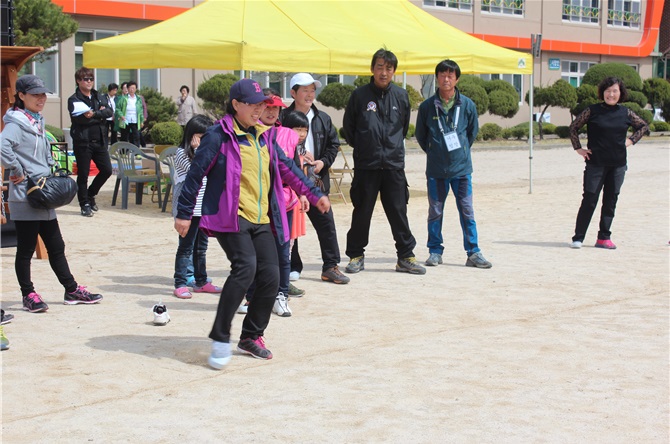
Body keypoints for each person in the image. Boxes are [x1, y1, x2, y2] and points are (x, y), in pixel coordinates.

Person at [174, 78, 330, 370]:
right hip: (231, 217)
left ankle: (251, 335)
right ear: (236, 105)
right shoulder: (218, 136)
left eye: (262, 104)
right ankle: (221, 336)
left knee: (271, 276)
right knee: (245, 268)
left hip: (263, 217)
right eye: (253, 105)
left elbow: (289, 170)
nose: (260, 110)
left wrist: (314, 193)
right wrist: (184, 213)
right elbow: (196, 174)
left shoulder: (266, 136)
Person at [1, 74, 103, 313]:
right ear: (21, 96)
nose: (41, 98)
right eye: (35, 94)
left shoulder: (36, 120)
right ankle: (28, 294)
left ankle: (71, 289)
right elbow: (2, 145)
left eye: (43, 93)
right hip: (26, 195)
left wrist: (52, 167)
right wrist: (18, 169)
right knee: (26, 249)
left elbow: (44, 151)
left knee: (56, 246)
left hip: (44, 192)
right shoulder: (16, 123)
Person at [342, 49, 425, 275]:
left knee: (399, 212)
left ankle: (406, 257)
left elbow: (404, 125)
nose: (384, 72)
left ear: (394, 71)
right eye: (380, 67)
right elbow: (349, 129)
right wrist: (364, 147)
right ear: (372, 69)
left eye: (389, 68)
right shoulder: (359, 96)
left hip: (393, 166)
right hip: (366, 166)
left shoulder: (401, 96)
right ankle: (356, 256)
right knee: (362, 212)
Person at [414, 59, 492, 269]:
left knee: (467, 210)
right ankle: (435, 251)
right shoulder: (427, 106)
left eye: (450, 75)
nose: (446, 79)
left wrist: (461, 151)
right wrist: (435, 151)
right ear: (437, 77)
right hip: (436, 170)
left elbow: (471, 133)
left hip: (461, 169)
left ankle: (473, 252)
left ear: (457, 79)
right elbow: (421, 136)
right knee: (435, 211)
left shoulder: (467, 105)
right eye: (442, 74)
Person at [281, 73, 350, 285]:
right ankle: (293, 266)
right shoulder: (282, 119)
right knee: (291, 225)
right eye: (305, 90)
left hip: (316, 180)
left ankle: (330, 266)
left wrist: (322, 162)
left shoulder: (323, 118)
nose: (310, 94)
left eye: (312, 90)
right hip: (291, 182)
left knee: (326, 222)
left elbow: (333, 145)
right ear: (293, 93)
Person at [568, 76, 648, 249]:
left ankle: (604, 237)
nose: (611, 94)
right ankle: (578, 237)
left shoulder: (625, 112)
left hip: (618, 164)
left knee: (611, 200)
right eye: (608, 91)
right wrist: (579, 149)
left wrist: (630, 141)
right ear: (602, 92)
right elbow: (574, 127)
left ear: (620, 93)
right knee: (589, 199)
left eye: (615, 91)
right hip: (595, 163)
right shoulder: (592, 110)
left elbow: (643, 126)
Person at [171, 114, 222, 299]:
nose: (204, 141)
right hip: (188, 210)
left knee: (201, 248)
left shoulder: (208, 152)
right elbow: (196, 171)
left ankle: (201, 281)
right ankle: (180, 283)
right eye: (201, 136)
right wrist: (198, 150)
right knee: (185, 247)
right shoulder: (181, 154)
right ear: (192, 136)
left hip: (204, 208)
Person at [67, 67, 114, 217]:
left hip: (99, 140)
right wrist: (99, 115)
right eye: (85, 79)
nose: (89, 82)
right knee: (83, 174)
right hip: (83, 142)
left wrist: (93, 114)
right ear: (78, 81)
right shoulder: (74, 99)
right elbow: (80, 119)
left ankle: (90, 194)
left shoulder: (99, 96)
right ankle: (84, 204)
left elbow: (109, 112)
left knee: (107, 170)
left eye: (91, 79)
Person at [115, 81, 144, 147]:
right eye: (130, 88)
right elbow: (118, 108)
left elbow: (141, 110)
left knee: (136, 136)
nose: (132, 90)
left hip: (135, 120)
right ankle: (124, 152)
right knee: (124, 136)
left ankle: (137, 152)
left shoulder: (138, 99)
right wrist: (121, 115)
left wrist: (142, 121)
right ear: (127, 89)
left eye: (133, 88)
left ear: (136, 89)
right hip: (126, 120)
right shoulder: (123, 98)